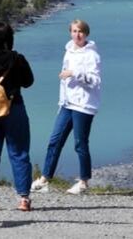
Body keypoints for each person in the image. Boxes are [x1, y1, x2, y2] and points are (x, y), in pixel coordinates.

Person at [31, 19, 101, 195]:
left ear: (86, 34)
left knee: (80, 143)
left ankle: (84, 181)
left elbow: (95, 81)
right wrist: (61, 100)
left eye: (81, 32)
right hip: (67, 104)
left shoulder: (92, 55)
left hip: (84, 105)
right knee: (55, 140)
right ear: (70, 33)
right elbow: (65, 80)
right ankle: (45, 178)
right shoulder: (68, 51)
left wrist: (74, 73)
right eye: (74, 31)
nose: (77, 35)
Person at [0, 22, 35, 212]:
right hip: (13, 108)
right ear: (9, 38)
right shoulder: (17, 58)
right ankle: (24, 198)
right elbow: (28, 82)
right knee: (19, 153)